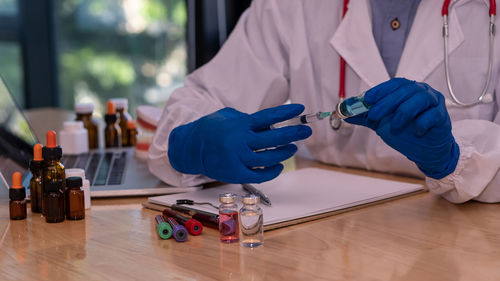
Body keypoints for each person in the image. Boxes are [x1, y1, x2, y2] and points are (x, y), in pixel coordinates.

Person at [148, 0, 500, 203]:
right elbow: (203, 97)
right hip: (324, 238)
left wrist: (454, 160)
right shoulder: (292, 6)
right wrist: (188, 141)